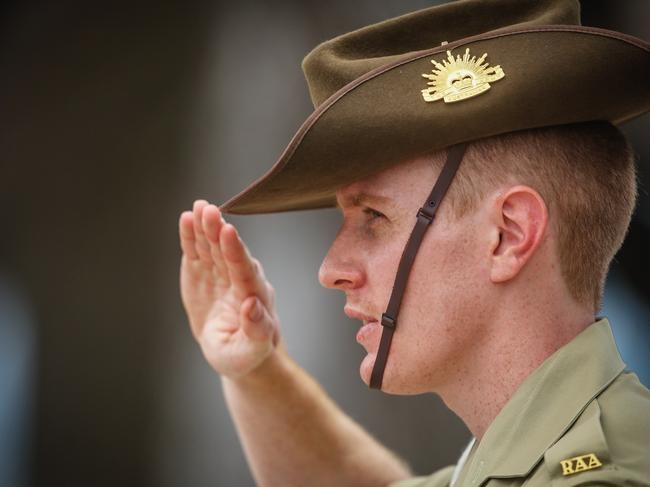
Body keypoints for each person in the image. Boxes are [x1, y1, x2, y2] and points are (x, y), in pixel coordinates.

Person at [178, 0, 650, 485]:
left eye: (375, 217)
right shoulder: (540, 453)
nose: (332, 269)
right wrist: (254, 369)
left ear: (507, 235)